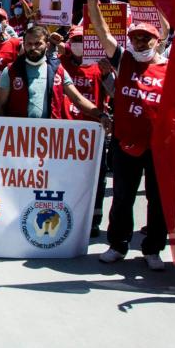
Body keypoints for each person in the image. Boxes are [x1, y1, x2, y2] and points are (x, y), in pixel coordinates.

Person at [85, 0, 168, 271]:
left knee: (157, 201)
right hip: (125, 143)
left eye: (146, 38)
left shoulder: (171, 69)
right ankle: (117, 245)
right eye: (136, 38)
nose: (140, 42)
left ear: (158, 41)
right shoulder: (124, 60)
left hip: (158, 147)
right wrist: (92, 3)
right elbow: (102, 31)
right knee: (122, 197)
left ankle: (153, 248)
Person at [51, 25, 111, 236]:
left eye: (84, 41)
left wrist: (108, 76)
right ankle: (65, 214)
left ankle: (94, 219)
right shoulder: (60, 63)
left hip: (92, 132)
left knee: (95, 176)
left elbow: (115, 93)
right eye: (76, 40)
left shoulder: (100, 66)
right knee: (65, 176)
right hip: (66, 130)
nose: (80, 45)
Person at [0, 26, 111, 126]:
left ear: (47, 44)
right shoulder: (10, 70)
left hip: (50, 138)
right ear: (24, 44)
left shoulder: (57, 70)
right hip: (19, 136)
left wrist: (100, 115)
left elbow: (77, 99)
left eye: (38, 43)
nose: (33, 48)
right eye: (29, 44)